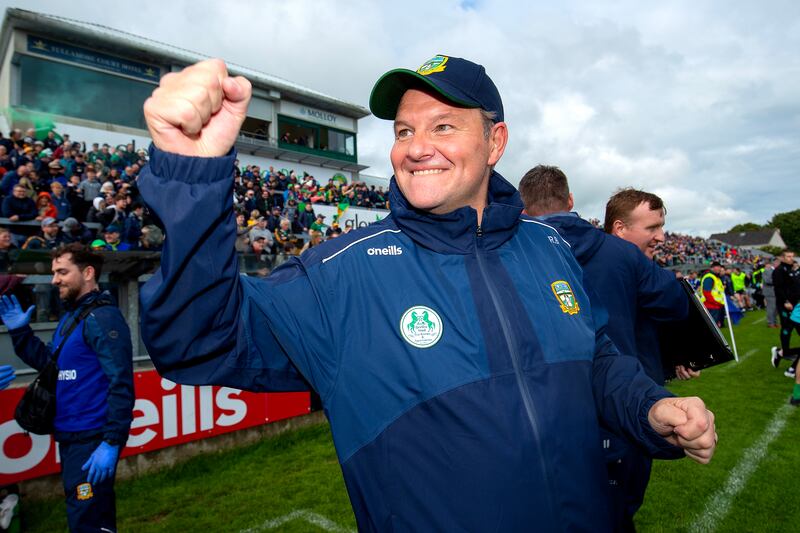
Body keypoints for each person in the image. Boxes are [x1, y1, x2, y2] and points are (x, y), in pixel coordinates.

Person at [137, 56, 716, 532]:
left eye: (443, 126)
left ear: (495, 142)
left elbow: (594, 362)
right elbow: (197, 340)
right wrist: (192, 177)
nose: (416, 147)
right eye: (404, 131)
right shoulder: (343, 274)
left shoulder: (549, 248)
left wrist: (649, 408)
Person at [519, 166, 691, 530]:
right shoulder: (621, 254)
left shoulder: (508, 253)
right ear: (570, 201)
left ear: (522, 207)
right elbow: (677, 305)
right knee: (615, 515)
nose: (659, 236)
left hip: (543, 413)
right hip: (621, 403)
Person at [0, 244, 133, 532]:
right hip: (72, 437)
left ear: (87, 273)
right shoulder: (71, 317)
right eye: (53, 273)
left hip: (92, 439)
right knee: (84, 518)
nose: (54, 280)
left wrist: (111, 441)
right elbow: (50, 365)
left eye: (62, 272)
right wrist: (20, 332)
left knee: (89, 522)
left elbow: (121, 382)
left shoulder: (103, 317)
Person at [771, 249, 800, 377]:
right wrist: (785, 301)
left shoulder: (792, 269)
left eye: (792, 256)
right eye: (788, 256)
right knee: (787, 328)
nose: (790, 258)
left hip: (795, 304)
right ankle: (785, 353)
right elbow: (779, 288)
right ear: (782, 257)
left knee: (791, 328)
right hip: (786, 305)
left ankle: (783, 353)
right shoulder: (779, 271)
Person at [700, 261, 726, 328]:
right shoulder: (709, 277)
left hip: (716, 306)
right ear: (712, 268)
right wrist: (716, 302)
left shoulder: (716, 278)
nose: (719, 269)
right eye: (718, 267)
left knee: (715, 327)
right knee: (712, 327)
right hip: (710, 306)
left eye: (720, 267)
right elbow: (706, 292)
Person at [763, 259, 779, 328]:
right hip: (770, 292)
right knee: (771, 308)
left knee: (776, 308)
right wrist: (778, 281)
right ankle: (770, 323)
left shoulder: (774, 270)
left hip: (775, 291)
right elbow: (767, 281)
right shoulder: (766, 271)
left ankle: (775, 322)